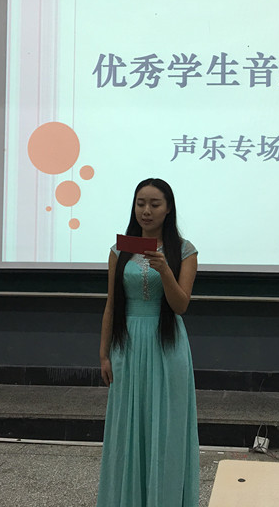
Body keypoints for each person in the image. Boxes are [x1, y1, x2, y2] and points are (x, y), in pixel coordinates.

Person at [96, 178, 199, 507]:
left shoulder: (184, 250)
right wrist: (104, 354)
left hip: (167, 345)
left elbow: (180, 305)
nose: (146, 210)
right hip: (127, 345)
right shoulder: (120, 249)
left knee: (166, 426)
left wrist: (165, 271)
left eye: (155, 204)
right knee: (128, 426)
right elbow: (112, 304)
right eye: (141, 203)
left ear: (168, 209)